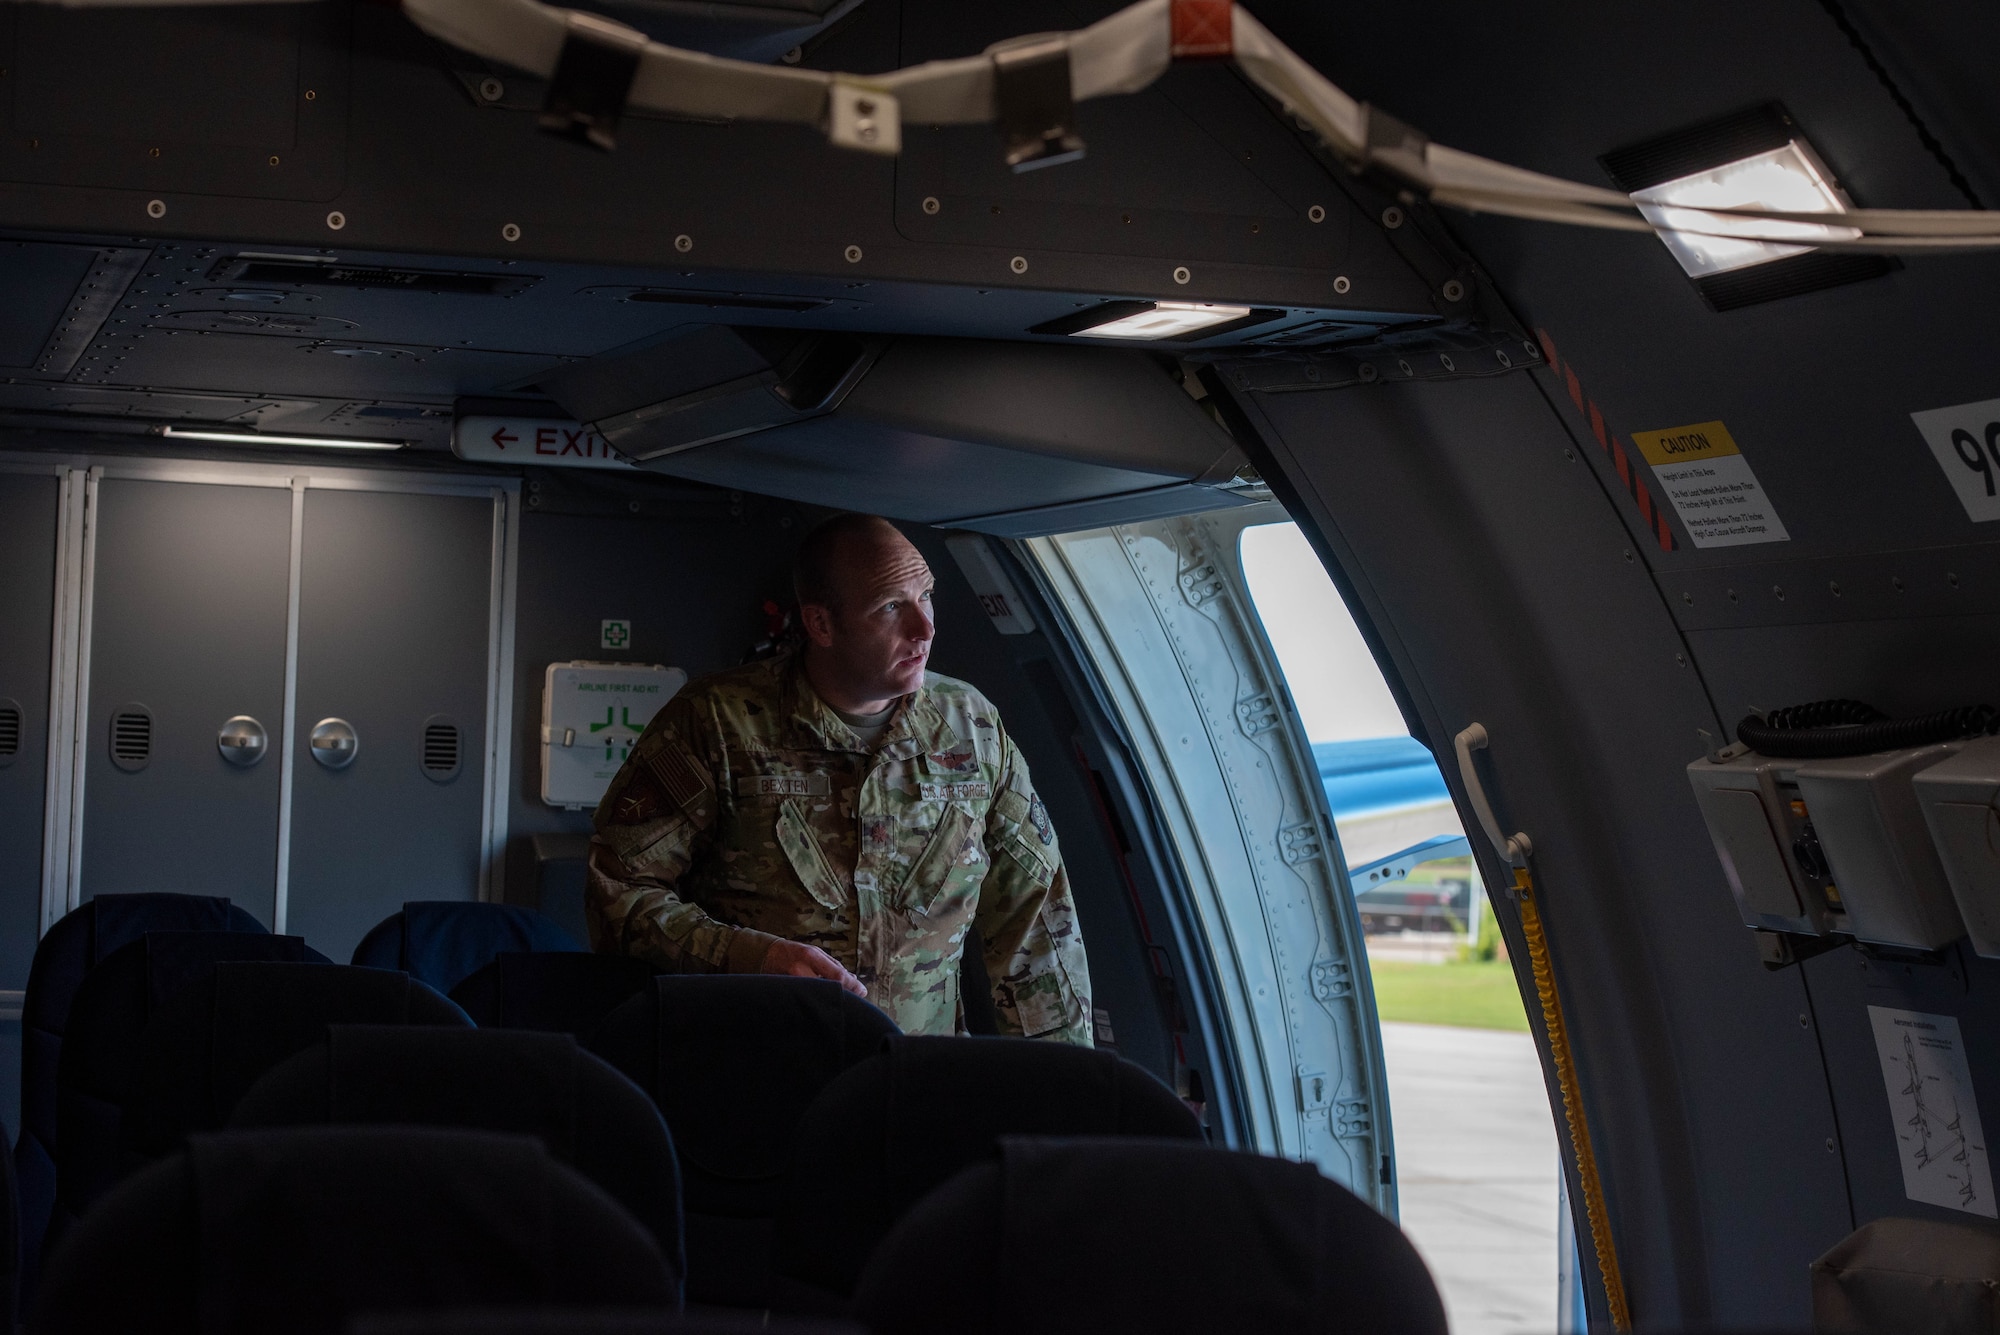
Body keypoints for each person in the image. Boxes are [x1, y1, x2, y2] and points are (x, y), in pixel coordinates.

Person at [586, 512, 1092, 1043]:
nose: (925, 628)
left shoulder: (973, 730)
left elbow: (1036, 927)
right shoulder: (716, 723)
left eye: (926, 596)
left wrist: (1063, 1095)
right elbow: (617, 892)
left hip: (915, 1089)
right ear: (821, 624)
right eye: (892, 606)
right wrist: (746, 957)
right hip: (752, 1079)